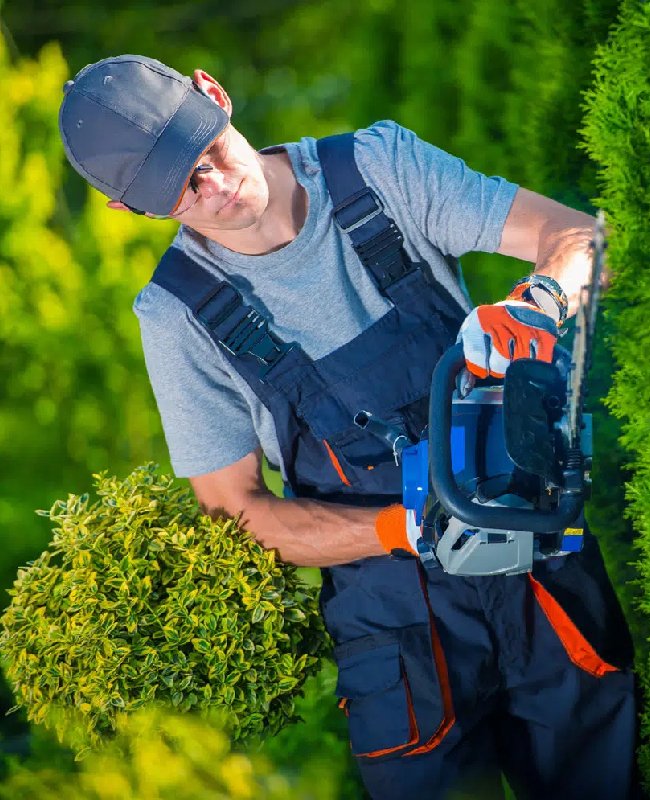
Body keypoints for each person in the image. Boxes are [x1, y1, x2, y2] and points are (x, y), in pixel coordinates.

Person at [59, 55, 638, 799]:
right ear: (128, 210)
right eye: (179, 190)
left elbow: (581, 237)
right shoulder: (177, 317)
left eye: (202, 151)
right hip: (397, 634)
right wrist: (405, 529)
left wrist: (542, 301)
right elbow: (238, 517)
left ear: (214, 93)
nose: (213, 184)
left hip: (535, 561)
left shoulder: (376, 168)